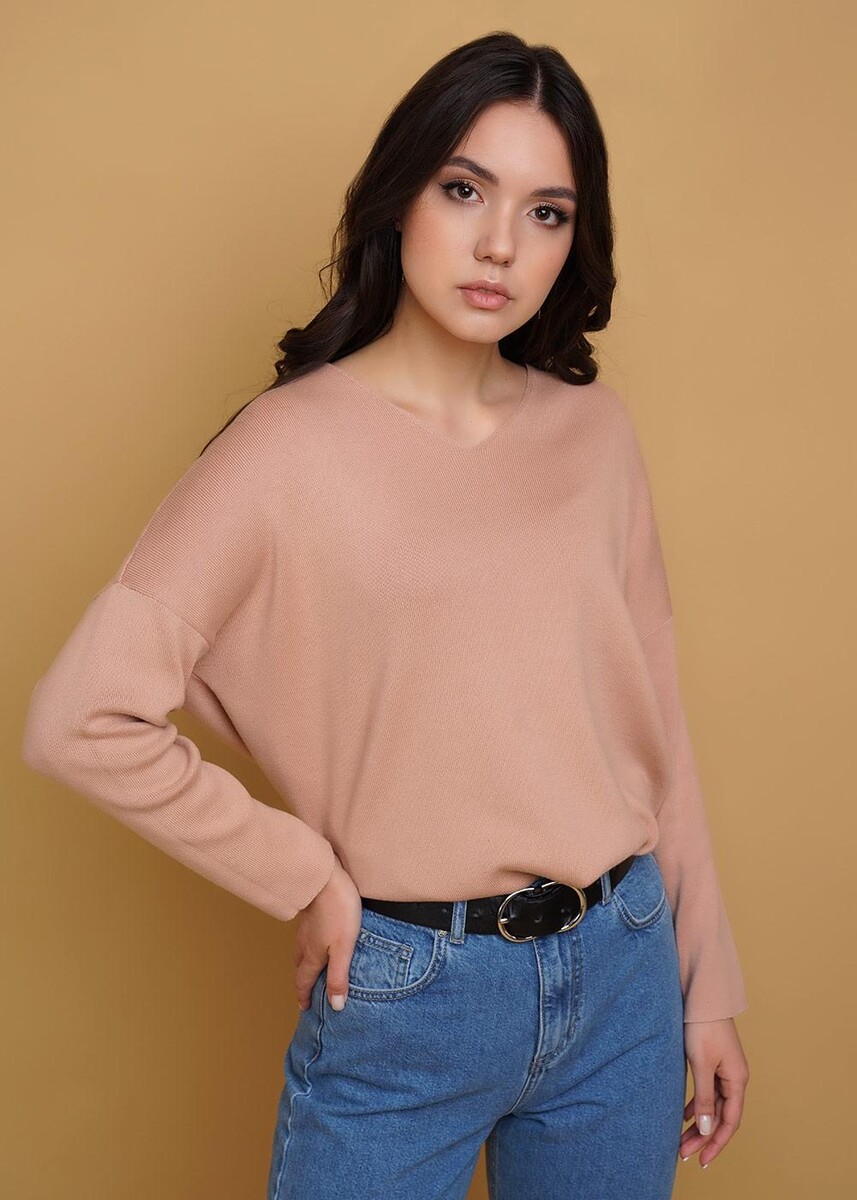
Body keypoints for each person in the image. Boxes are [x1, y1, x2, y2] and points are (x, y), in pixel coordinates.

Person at [21, 30, 750, 1200]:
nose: (500, 244)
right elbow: (82, 718)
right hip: (413, 991)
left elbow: (651, 722)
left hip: (622, 975)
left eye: (546, 213)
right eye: (464, 190)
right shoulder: (283, 451)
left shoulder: (594, 434)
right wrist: (303, 873)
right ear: (399, 195)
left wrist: (705, 987)